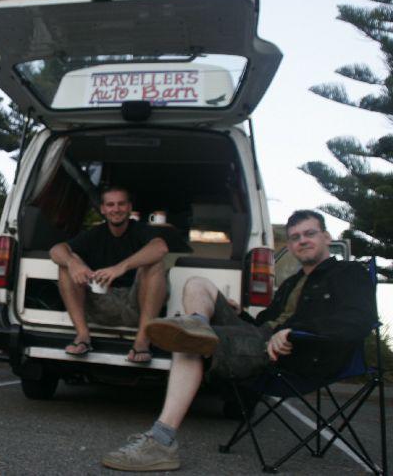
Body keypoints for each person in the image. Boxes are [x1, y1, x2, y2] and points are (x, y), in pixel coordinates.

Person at [101, 210, 376, 472]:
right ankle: (198, 322)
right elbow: (263, 323)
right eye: (295, 237)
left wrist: (295, 332)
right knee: (198, 283)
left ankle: (161, 442)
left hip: (293, 352)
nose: (302, 240)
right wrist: (239, 313)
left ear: (326, 237)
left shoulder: (349, 274)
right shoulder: (292, 283)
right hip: (261, 336)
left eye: (309, 234)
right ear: (291, 246)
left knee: (189, 343)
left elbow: (359, 320)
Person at [49, 185, 169, 363]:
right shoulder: (95, 234)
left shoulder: (141, 230)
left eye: (121, 204)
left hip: (137, 306)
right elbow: (56, 250)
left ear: (129, 207)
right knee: (67, 263)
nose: (116, 209)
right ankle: (82, 336)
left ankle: (142, 342)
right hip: (101, 304)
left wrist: (121, 267)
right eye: (110, 205)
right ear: (103, 209)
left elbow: (160, 248)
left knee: (155, 264)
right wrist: (72, 263)